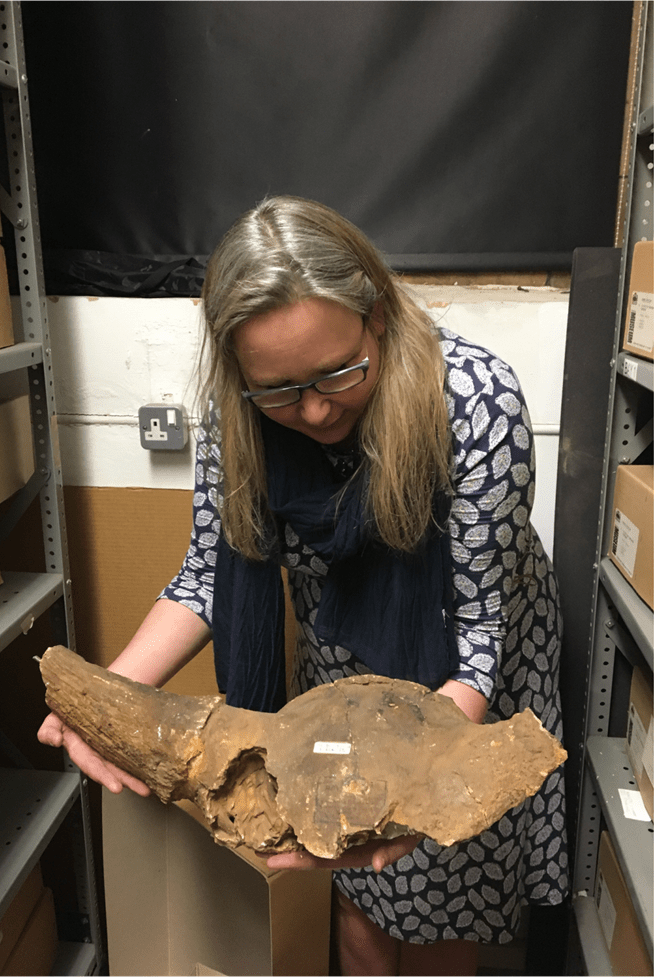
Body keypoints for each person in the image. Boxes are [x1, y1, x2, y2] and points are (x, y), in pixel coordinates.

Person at [39, 196, 568, 977]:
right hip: (344, 669)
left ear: (378, 315)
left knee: (439, 909)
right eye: (281, 390)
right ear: (241, 374)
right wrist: (110, 697)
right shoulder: (239, 416)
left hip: (464, 673)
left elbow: (482, 642)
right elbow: (207, 573)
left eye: (337, 373)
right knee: (358, 895)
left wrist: (415, 787)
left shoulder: (477, 401)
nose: (316, 409)